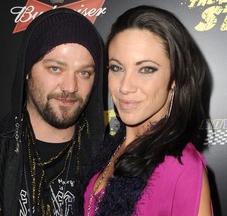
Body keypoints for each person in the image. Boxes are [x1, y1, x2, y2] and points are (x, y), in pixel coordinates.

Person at [0, 8, 105, 216]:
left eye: (84, 73)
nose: (70, 86)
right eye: (55, 68)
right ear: (27, 70)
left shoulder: (109, 161)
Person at [78, 5, 213, 216]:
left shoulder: (181, 167)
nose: (124, 86)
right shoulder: (112, 146)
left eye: (146, 69)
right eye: (116, 68)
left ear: (175, 78)